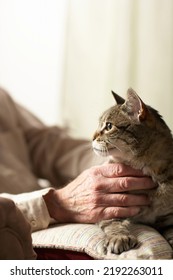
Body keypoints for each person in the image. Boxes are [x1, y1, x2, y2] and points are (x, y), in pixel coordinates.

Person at [0, 87, 155, 259]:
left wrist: (126, 158)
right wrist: (56, 204)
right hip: (27, 230)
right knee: (138, 255)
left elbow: (50, 146)